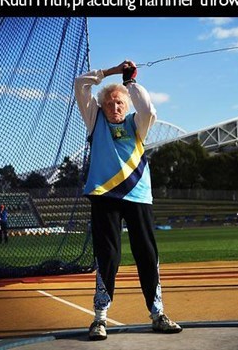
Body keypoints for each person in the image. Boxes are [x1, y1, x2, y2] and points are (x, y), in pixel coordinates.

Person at [75, 60, 182, 341]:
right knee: (108, 255)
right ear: (101, 106)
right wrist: (110, 73)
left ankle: (158, 313)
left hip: (138, 195)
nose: (114, 107)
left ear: (127, 103)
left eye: (120, 102)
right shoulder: (93, 119)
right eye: (109, 103)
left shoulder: (138, 124)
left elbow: (148, 108)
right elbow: (80, 84)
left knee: (147, 254)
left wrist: (130, 81)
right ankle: (99, 318)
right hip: (104, 196)